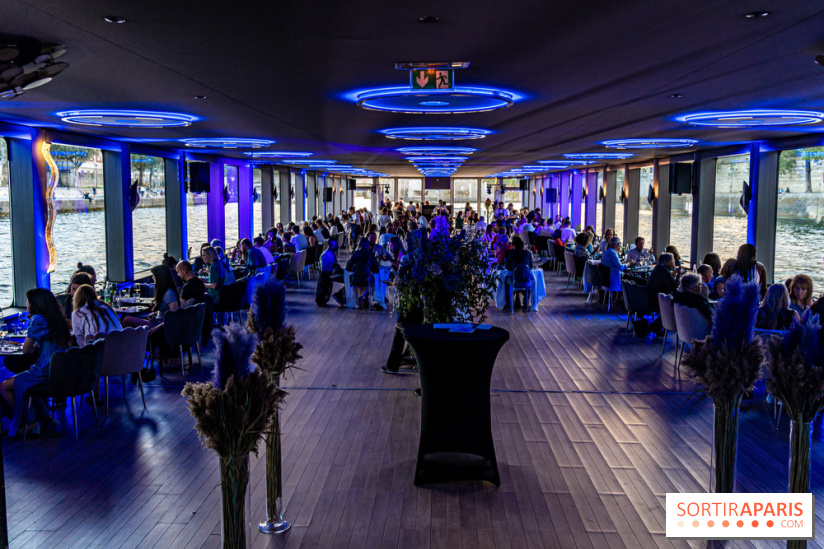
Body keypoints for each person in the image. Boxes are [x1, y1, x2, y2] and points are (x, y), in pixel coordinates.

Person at [0, 288, 71, 437]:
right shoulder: (56, 318)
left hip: (45, 371)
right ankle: (44, 417)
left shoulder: (37, 319)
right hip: (61, 369)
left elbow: (26, 350)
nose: (26, 304)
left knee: (4, 387)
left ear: (35, 304)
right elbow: (38, 347)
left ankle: (27, 421)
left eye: (28, 301)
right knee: (25, 378)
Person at [504, 237, 533, 310]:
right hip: (526, 281)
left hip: (514, 281)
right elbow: (531, 267)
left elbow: (508, 267)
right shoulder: (528, 253)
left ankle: (509, 304)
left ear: (514, 246)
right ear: (523, 246)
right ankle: (526, 303)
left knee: (506, 281)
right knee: (530, 279)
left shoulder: (511, 253)